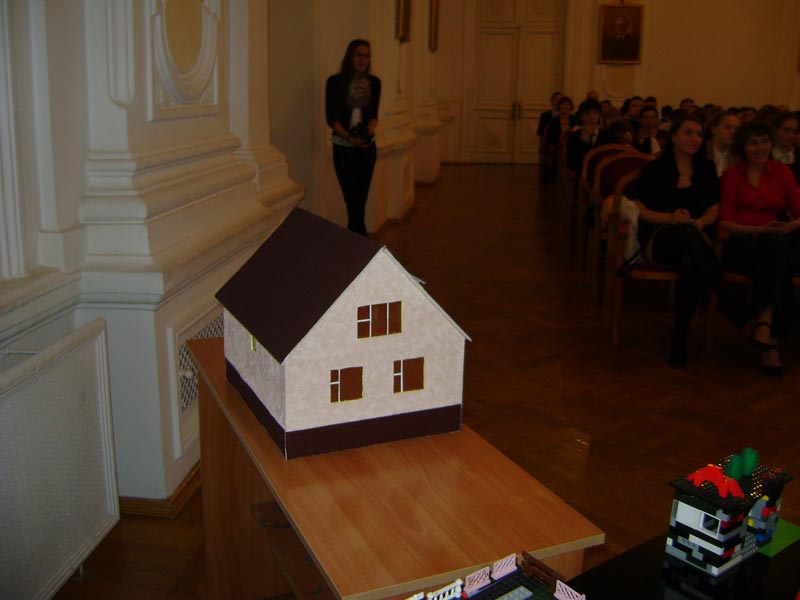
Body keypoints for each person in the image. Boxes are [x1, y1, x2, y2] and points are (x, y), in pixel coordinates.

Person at [635, 115, 748, 366]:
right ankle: (728, 298)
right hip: (659, 236)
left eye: (698, 134)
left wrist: (703, 222)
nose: (694, 139)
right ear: (673, 137)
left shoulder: (706, 168)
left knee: (691, 263)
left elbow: (714, 207)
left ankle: (679, 336)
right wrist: (670, 217)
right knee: (687, 236)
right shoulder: (656, 167)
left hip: (696, 237)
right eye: (687, 133)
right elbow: (640, 209)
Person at [719, 120, 800, 375]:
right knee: (778, 254)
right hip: (742, 242)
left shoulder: (782, 172)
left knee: (777, 247)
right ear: (743, 147)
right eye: (753, 143)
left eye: (764, 142)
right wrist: (759, 229)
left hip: (774, 241)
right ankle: (770, 333)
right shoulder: (732, 175)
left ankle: (765, 325)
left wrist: (790, 226)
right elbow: (726, 222)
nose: (760, 147)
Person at [325, 39, 381, 236]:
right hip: (343, 147)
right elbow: (331, 119)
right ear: (350, 56)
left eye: (367, 56)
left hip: (367, 149)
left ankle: (356, 243)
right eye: (359, 55)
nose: (363, 60)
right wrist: (350, 138)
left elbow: (374, 115)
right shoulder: (335, 82)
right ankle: (360, 242)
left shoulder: (374, 83)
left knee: (361, 199)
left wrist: (369, 130)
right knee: (352, 198)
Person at [566, 99, 615, 177]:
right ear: (581, 116)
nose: (592, 117)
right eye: (587, 114)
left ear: (599, 116)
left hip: (603, 176)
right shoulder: (574, 136)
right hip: (581, 176)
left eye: (595, 114)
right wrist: (584, 140)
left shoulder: (608, 135)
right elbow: (571, 164)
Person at [542, 96, 579, 181]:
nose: (566, 106)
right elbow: (549, 137)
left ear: (571, 107)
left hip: (572, 148)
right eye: (563, 104)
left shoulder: (576, 120)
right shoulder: (553, 121)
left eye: (568, 104)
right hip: (556, 148)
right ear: (559, 106)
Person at [705, 110, 739, 177]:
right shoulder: (702, 153)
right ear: (714, 130)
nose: (733, 132)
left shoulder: (738, 155)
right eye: (728, 127)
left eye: (736, 129)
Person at [771, 112, 800, 184]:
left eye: (794, 132)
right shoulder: (764, 155)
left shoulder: (798, 155)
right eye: (785, 130)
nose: (790, 135)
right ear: (775, 130)